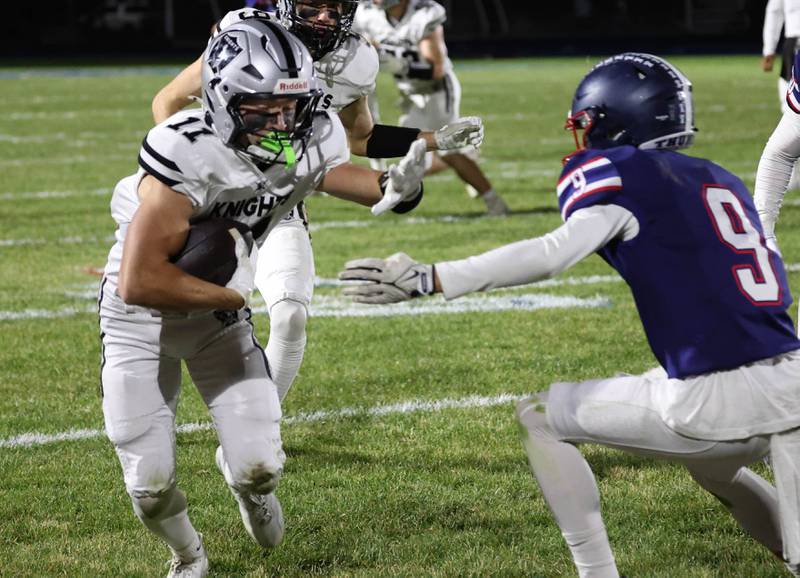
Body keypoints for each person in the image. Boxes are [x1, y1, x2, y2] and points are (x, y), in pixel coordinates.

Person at [339, 53, 800, 577]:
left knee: (540, 418)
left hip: (717, 396)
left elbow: (551, 253)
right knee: (711, 467)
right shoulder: (718, 178)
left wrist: (430, 277)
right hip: (792, 378)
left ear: (613, 119)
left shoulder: (619, 174)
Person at [100, 19, 427, 577]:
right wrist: (231, 293)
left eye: (289, 107)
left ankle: (249, 491)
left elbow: (348, 177)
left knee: (259, 468)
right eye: (263, 108)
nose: (280, 122)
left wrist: (402, 186)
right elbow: (140, 282)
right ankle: (188, 555)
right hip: (140, 320)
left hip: (217, 319)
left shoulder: (306, 132)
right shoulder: (184, 149)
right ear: (223, 99)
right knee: (149, 484)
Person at [151, 1, 483, 402]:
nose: (325, 17)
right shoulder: (247, 32)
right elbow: (168, 101)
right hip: (209, 191)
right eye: (312, 6)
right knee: (167, 319)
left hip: (274, 198)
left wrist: (434, 140)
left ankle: (260, 426)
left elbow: (359, 137)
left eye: (336, 7)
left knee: (290, 315)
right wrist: (188, 172)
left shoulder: (355, 58)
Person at [353, 0, 510, 216]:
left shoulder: (424, 13)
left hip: (437, 90)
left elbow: (434, 68)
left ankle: (495, 203)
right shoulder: (367, 14)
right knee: (414, 152)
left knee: (446, 149)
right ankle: (466, 161)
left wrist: (401, 64)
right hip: (410, 93)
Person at [762, 0, 800, 114]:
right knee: (791, 99)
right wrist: (769, 49)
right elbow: (774, 11)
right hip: (794, 43)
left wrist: (769, 49)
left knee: (791, 102)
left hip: (794, 42)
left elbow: (774, 12)